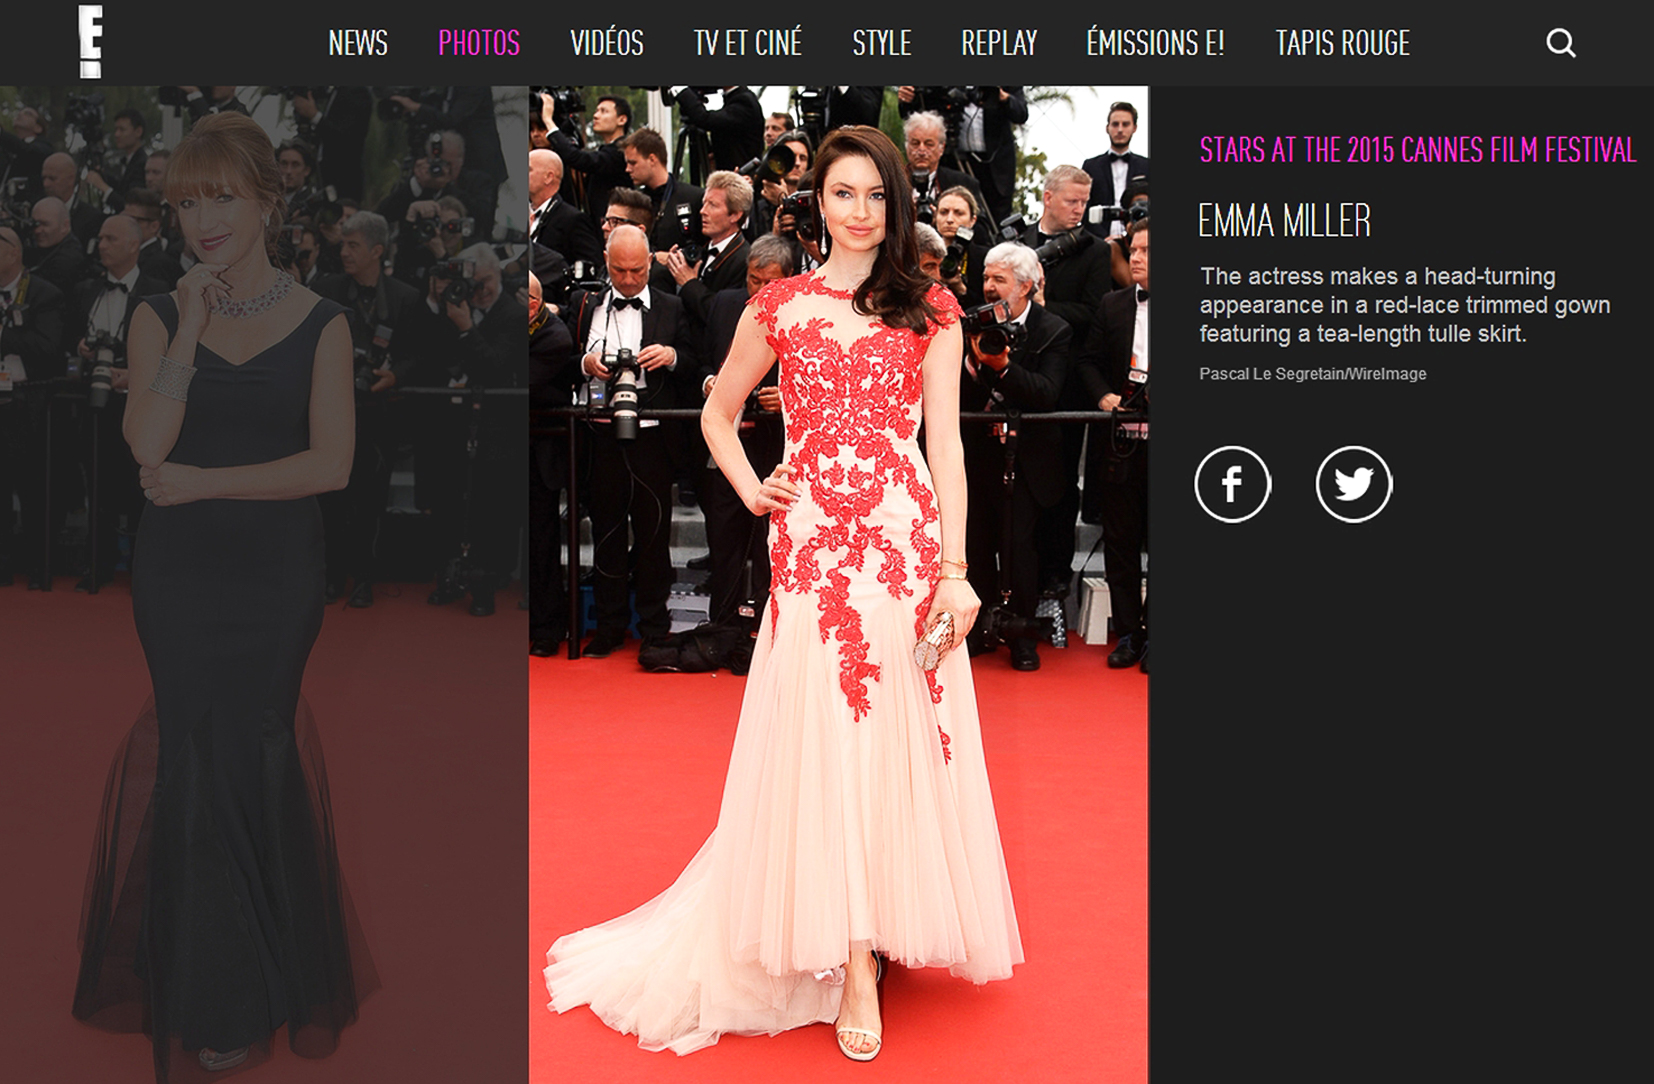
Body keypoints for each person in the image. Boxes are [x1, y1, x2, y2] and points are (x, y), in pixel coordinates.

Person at [546, 126, 1022, 1061]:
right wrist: (751, 488)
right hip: (812, 550)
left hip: (902, 542)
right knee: (827, 733)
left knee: (896, 733)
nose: (860, 211)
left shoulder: (931, 308)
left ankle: (882, 920)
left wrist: (957, 571)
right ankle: (853, 957)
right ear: (816, 206)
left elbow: (947, 446)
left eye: (876, 195)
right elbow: (718, 413)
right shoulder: (782, 305)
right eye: (843, 193)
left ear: (897, 203)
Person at [70, 111, 374, 1081]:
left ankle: (258, 966)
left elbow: (331, 464)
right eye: (187, 204)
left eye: (224, 200)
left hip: (278, 580)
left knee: (254, 752)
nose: (204, 222)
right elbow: (145, 443)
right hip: (180, 581)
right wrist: (193, 330)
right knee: (194, 758)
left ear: (267, 203)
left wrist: (205, 483)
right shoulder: (161, 314)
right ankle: (214, 992)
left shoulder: (325, 321)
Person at [1076, 218, 1150, 673]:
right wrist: (1104, 396)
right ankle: (1128, 633)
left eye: (1145, 250)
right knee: (1120, 541)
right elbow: (1087, 361)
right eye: (1133, 249)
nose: (1134, 258)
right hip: (1121, 442)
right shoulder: (1113, 303)